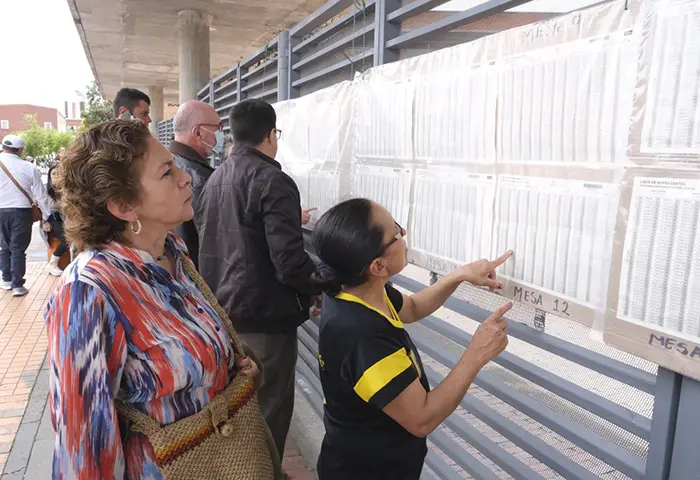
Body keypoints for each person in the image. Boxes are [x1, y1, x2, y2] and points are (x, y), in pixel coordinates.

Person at [45, 120, 267, 478]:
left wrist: (230, 366)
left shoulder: (172, 251)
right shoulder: (89, 290)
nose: (185, 178)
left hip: (226, 457)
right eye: (167, 172)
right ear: (124, 206)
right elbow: (83, 448)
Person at [311, 198, 512, 479]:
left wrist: (459, 275)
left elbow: (413, 307)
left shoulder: (354, 291)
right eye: (396, 233)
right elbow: (422, 418)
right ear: (378, 266)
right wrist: (477, 353)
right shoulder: (363, 335)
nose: (403, 235)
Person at [197, 99, 321, 457]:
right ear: (270, 135)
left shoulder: (214, 179)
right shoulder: (273, 180)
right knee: (268, 414)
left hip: (224, 316)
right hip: (265, 321)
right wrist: (320, 284)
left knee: (241, 414)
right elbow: (289, 262)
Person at [170, 100, 223, 268]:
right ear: (198, 132)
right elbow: (216, 241)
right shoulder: (197, 177)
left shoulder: (169, 163)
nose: (220, 135)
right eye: (218, 128)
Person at [0, 134, 49, 296]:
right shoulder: (29, 167)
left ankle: (6, 280)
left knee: (4, 246)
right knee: (18, 248)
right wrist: (46, 215)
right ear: (20, 150)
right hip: (21, 211)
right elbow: (40, 194)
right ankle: (17, 285)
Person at [43, 165, 68, 277]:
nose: (57, 176)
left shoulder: (67, 190)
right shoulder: (45, 191)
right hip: (51, 219)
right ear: (49, 177)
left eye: (59, 173)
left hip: (66, 219)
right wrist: (44, 222)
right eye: (53, 174)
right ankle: (52, 264)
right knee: (67, 239)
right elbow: (41, 207)